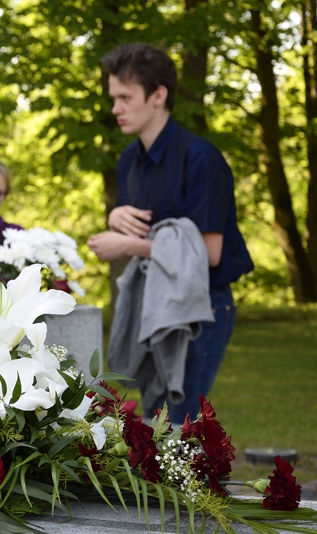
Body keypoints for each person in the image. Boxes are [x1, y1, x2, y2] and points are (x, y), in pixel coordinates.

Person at [86, 43, 254, 424]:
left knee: (179, 425)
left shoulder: (200, 158)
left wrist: (126, 244)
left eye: (125, 97)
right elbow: (149, 236)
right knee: (154, 423)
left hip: (203, 307)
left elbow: (209, 254)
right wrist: (117, 219)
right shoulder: (129, 160)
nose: (115, 109)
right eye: (114, 98)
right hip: (154, 303)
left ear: (158, 95)